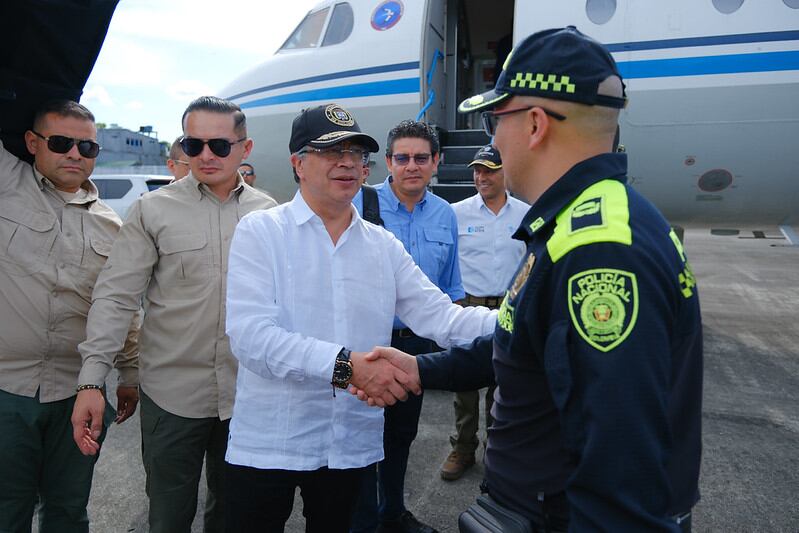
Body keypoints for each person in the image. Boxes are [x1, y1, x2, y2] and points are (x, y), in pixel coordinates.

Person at [355, 27, 703, 532]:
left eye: (496, 119)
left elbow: (621, 461)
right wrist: (419, 370)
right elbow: (522, 344)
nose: (492, 138)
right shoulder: (579, 224)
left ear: (535, 124)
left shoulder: (600, 249)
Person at [222, 103, 496, 533]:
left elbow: (442, 318)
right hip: (272, 440)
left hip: (348, 442)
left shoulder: (381, 246)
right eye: (332, 151)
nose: (348, 162)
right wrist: (347, 368)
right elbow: (252, 337)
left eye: (356, 152)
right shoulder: (261, 232)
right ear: (298, 163)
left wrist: (521, 320)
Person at [71, 96, 277, 533]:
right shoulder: (153, 210)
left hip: (248, 398)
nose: (204, 155)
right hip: (173, 397)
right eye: (192, 144)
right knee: (167, 516)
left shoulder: (270, 214)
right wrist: (93, 379)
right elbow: (115, 297)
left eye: (219, 146)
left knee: (237, 516)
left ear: (245, 148)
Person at [0, 99, 139, 533]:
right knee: (7, 509)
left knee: (68, 508)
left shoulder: (111, 226)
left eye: (88, 148)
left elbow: (122, 305)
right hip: (7, 390)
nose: (75, 154)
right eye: (61, 143)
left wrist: (130, 371)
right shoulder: (7, 184)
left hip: (77, 393)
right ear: (31, 142)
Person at [351, 119, 463, 533]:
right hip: (368, 343)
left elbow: (450, 288)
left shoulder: (445, 215)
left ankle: (392, 514)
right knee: (361, 439)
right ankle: (363, 521)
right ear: (388, 162)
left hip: (416, 345)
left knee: (400, 436)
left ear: (437, 162)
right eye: (402, 158)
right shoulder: (360, 205)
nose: (411, 166)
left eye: (421, 157)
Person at [439, 144, 528, 481]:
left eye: (489, 170)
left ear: (506, 172)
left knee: (502, 385)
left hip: (508, 307)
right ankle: (463, 449)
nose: (481, 176)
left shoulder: (525, 214)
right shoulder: (456, 213)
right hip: (468, 307)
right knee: (463, 386)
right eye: (477, 170)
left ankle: (497, 451)